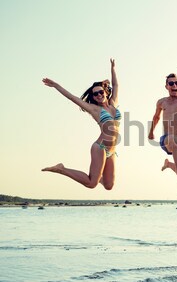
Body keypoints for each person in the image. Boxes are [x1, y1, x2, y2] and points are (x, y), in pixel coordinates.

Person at [42, 58, 121, 190]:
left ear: (106, 92)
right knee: (92, 183)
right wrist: (56, 86)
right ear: (93, 97)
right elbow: (72, 98)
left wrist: (112, 69)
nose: (98, 95)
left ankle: (97, 173)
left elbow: (116, 85)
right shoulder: (94, 109)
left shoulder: (113, 103)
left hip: (112, 150)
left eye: (101, 92)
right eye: (95, 94)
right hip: (100, 147)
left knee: (109, 185)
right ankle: (62, 169)